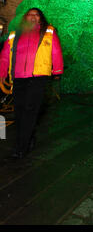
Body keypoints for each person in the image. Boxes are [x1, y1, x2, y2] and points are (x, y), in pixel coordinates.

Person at [0, 8, 64, 159]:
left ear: (40, 19)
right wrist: (2, 73)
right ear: (25, 18)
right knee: (20, 112)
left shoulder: (48, 31)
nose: (33, 17)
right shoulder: (14, 35)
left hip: (38, 77)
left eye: (36, 15)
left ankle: (20, 148)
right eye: (30, 14)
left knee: (29, 110)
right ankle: (30, 137)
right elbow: (4, 56)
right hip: (18, 78)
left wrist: (57, 70)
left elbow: (55, 51)